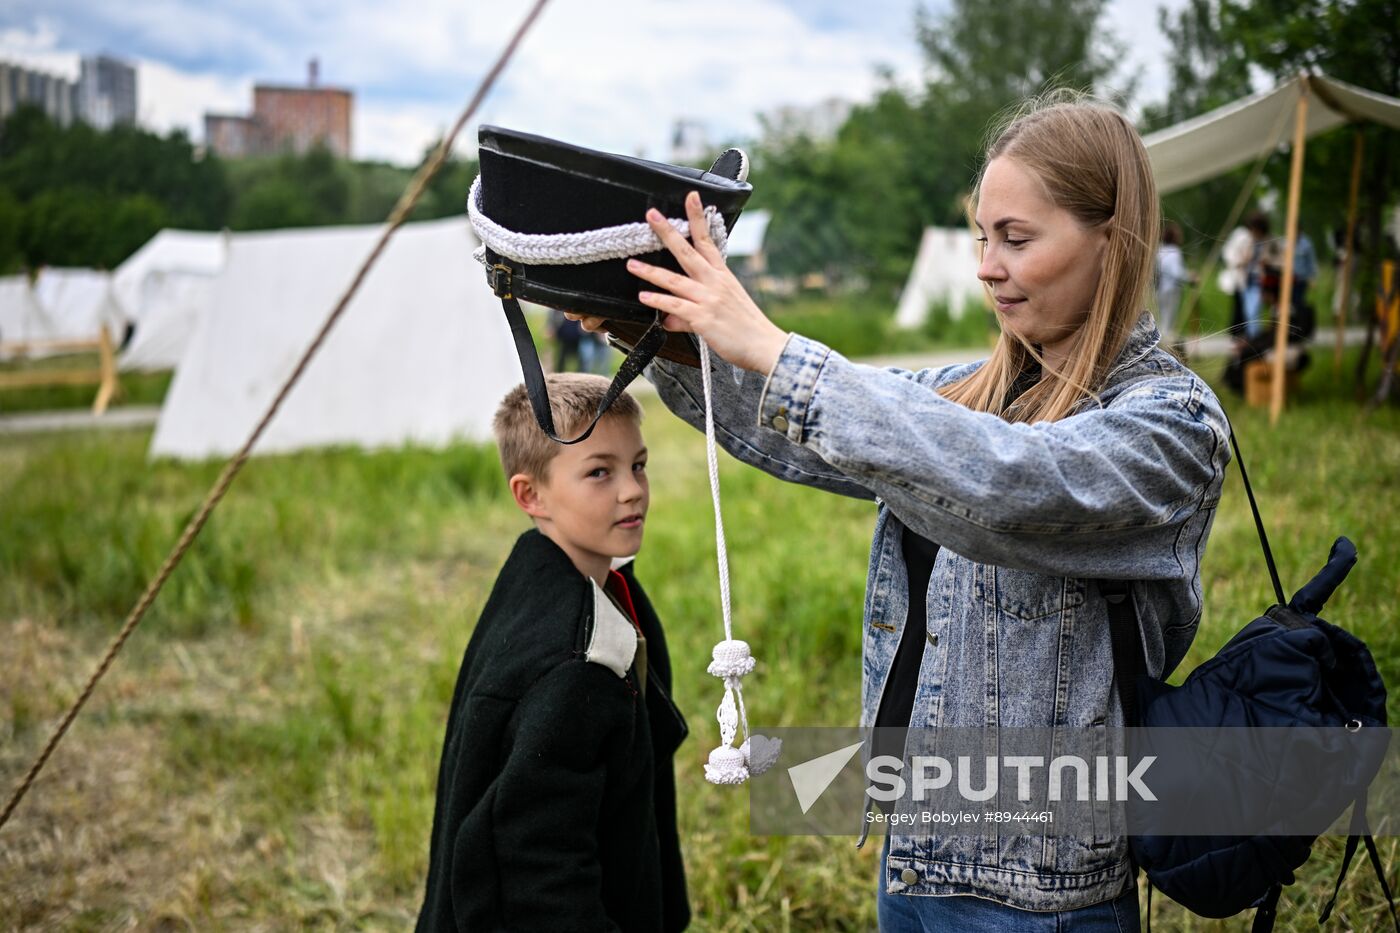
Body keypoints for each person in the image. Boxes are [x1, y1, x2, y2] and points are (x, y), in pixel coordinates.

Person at [573, 94, 1229, 930]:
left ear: (1114, 240)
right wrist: (657, 325)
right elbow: (818, 431)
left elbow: (1009, 484)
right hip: (912, 862)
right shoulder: (975, 393)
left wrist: (775, 346)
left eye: (1016, 238)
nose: (987, 266)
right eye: (982, 237)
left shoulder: (1172, 424)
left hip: (1039, 901)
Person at [415, 373, 689, 932]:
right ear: (530, 495)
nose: (633, 490)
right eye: (599, 472)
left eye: (638, 465)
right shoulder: (572, 664)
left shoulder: (592, 584)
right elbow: (538, 870)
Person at [1155, 220, 1192, 341]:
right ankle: (1166, 344)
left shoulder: (1159, 250)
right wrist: (1190, 277)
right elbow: (1176, 273)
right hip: (1171, 289)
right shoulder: (1175, 252)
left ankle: (1161, 341)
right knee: (1168, 319)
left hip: (1159, 288)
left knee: (1161, 317)